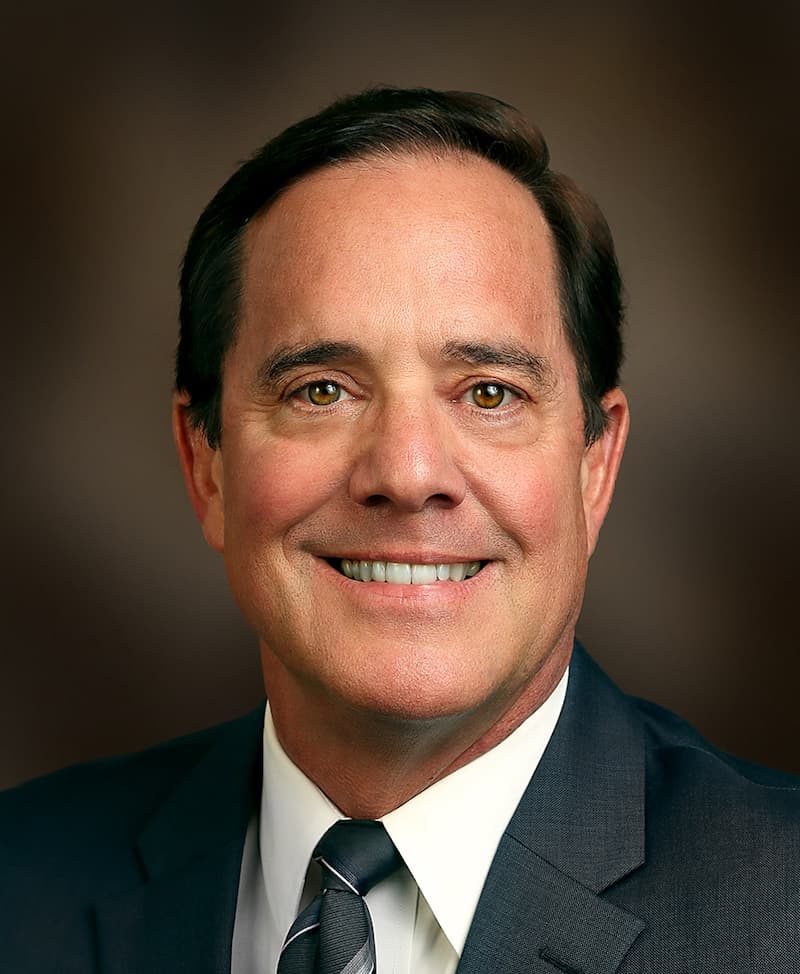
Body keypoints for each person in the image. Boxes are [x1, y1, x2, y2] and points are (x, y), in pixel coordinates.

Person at [1, 87, 797, 974]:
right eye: (321, 391)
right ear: (206, 464)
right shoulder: (19, 883)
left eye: (489, 393)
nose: (409, 474)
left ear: (593, 466)